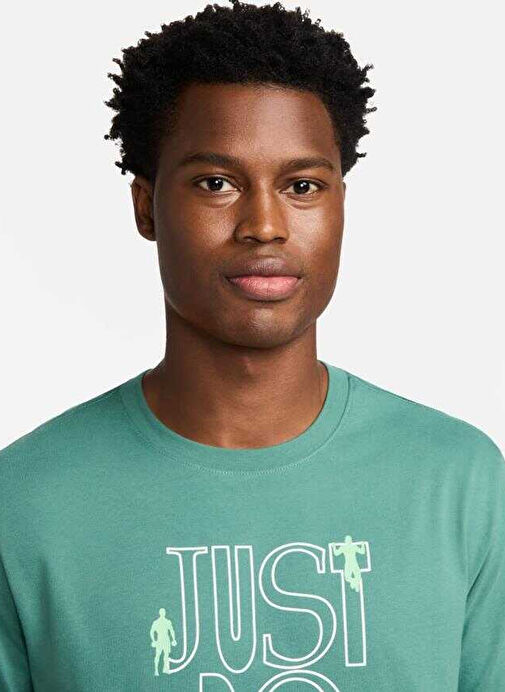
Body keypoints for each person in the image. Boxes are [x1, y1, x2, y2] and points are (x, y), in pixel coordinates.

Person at [0, 0, 503, 689]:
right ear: (146, 206)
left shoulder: (458, 482)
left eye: (302, 186)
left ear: (340, 204)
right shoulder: (26, 502)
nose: (264, 224)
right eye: (216, 183)